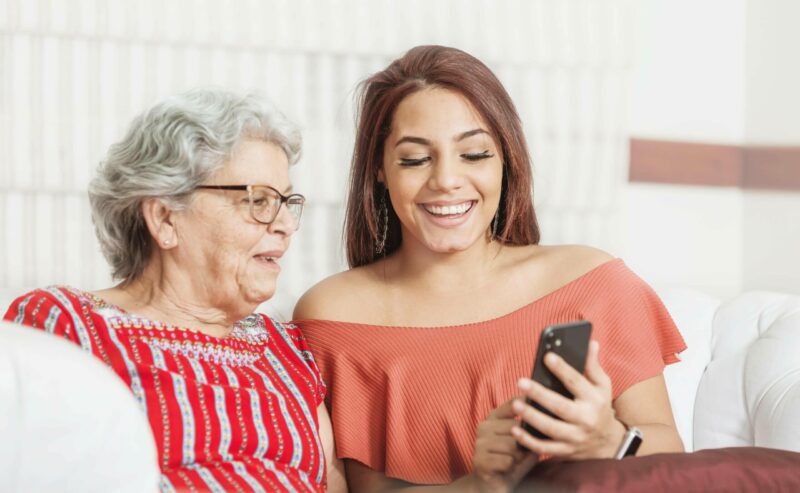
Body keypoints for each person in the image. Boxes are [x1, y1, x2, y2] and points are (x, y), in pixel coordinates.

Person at [293, 45, 687, 492]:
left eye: (474, 154)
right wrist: (478, 484)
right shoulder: (333, 318)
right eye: (415, 158)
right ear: (380, 170)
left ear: (505, 158)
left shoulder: (595, 283)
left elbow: (672, 457)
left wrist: (608, 440)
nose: (446, 180)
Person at [3, 89, 346, 493]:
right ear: (165, 217)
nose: (287, 223)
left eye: (287, 201)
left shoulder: (286, 349)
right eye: (260, 200)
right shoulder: (66, 323)